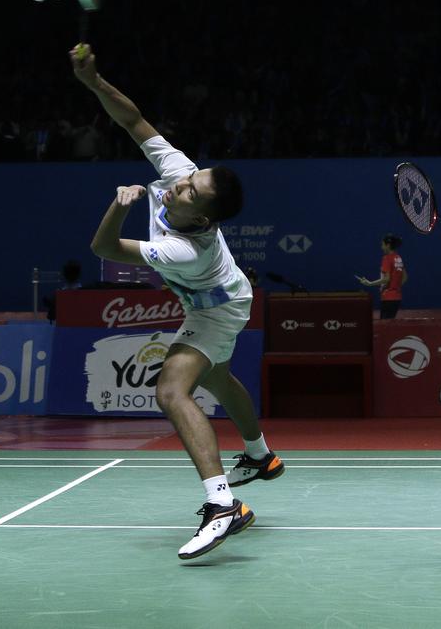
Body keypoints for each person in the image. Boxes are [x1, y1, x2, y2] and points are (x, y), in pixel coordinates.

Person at [72, 43, 284, 560]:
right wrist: (95, 83)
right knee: (215, 378)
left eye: (190, 191)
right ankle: (260, 457)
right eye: (189, 178)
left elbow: (102, 248)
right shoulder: (180, 177)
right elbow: (135, 121)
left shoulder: (185, 248)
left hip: (217, 307)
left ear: (206, 216)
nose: (180, 186)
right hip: (223, 295)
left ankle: (222, 505)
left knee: (171, 390)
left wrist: (119, 206)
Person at [356, 233, 407, 319]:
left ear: (388, 245)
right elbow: (405, 277)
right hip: (397, 298)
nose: (381, 247)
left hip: (388, 298)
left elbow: (386, 279)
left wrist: (369, 283)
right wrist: (395, 287)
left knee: (385, 328)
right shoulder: (398, 258)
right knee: (389, 325)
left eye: (382, 244)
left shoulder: (386, 258)